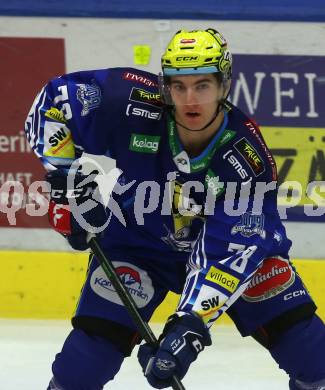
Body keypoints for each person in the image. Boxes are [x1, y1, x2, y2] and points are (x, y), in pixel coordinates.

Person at [24, 28, 325, 390]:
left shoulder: (245, 159)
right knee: (80, 367)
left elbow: (227, 256)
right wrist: (68, 183)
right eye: (178, 86)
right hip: (138, 247)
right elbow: (54, 103)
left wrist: (188, 327)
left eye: (203, 85)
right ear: (164, 86)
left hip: (237, 257)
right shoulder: (129, 100)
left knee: (315, 360)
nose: (189, 99)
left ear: (224, 85)